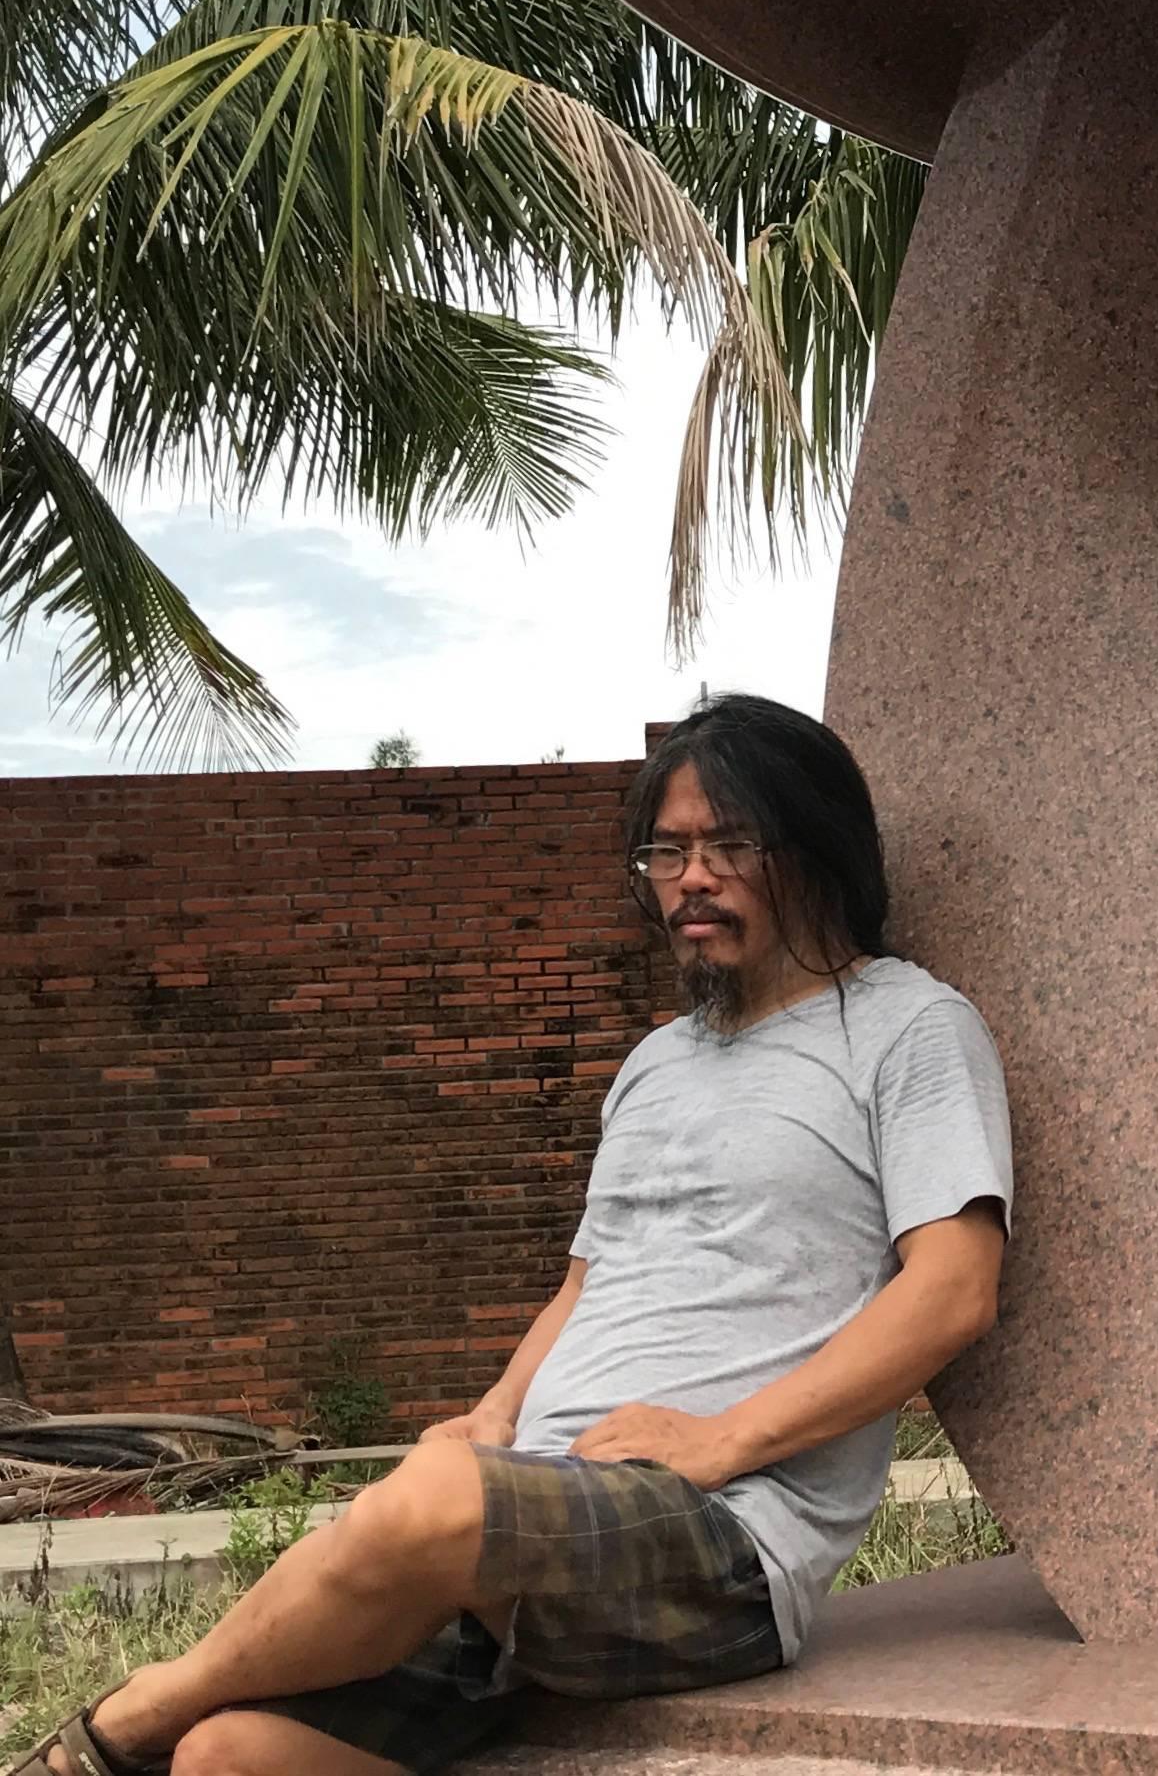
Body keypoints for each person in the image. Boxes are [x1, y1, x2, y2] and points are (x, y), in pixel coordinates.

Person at [17, 697, 1012, 1776]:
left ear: (815, 850)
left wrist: (723, 1442)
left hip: (720, 1537)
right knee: (231, 1757)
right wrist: (493, 1415)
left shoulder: (908, 1027)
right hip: (532, 1515)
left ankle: (118, 1725)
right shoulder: (654, 1064)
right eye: (666, 852)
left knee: (408, 1523)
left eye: (729, 845)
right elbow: (587, 1283)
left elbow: (952, 1289)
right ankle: (173, 1720)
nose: (690, 879)